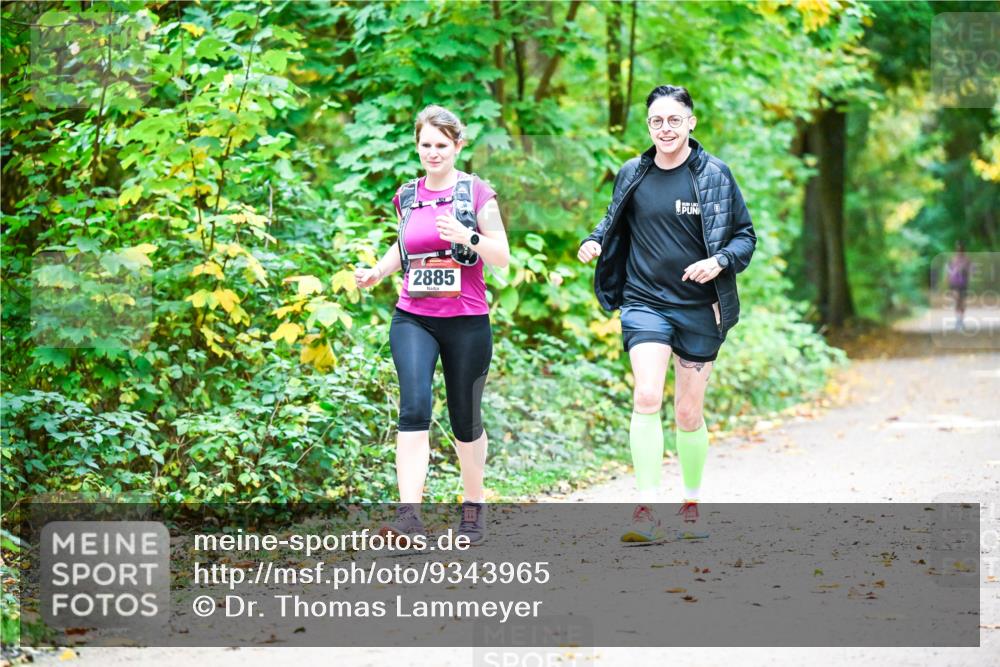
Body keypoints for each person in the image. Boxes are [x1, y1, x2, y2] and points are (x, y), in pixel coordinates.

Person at [578, 85, 756, 543]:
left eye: (674, 120)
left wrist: (718, 262)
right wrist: (595, 240)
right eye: (657, 121)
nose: (666, 129)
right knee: (646, 397)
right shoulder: (632, 173)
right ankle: (645, 508)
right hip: (644, 302)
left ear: (691, 122)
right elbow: (613, 217)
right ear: (648, 125)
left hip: (699, 306)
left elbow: (744, 237)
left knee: (688, 413)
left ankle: (691, 503)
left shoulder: (715, 175)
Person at [355, 105, 510, 545]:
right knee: (414, 407)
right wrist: (377, 273)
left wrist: (469, 238)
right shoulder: (407, 195)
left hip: (467, 320)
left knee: (465, 419)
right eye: (426, 145)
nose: (433, 153)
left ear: (458, 146)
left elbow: (502, 255)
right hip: (413, 317)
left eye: (442, 145)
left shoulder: (479, 194)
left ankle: (474, 508)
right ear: (417, 145)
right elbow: (404, 244)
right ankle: (409, 517)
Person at [947, 242, 971, 331]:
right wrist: (951, 274)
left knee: (962, 302)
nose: (959, 251)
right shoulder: (952, 259)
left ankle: (961, 320)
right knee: (957, 300)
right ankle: (957, 321)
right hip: (954, 283)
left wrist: (964, 269)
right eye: (957, 250)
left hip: (963, 283)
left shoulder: (967, 259)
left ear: (963, 250)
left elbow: (971, 271)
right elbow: (949, 270)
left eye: (960, 250)